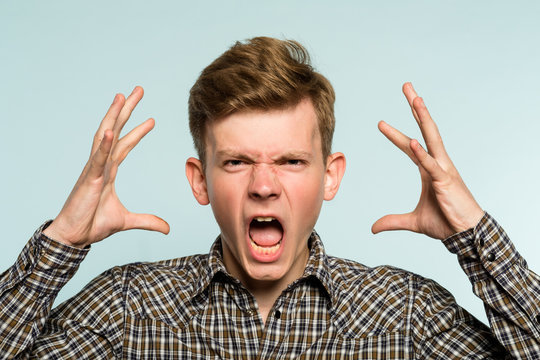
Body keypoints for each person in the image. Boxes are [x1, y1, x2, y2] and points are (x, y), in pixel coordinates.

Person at [0, 37, 538, 359]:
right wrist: (62, 242)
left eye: (290, 161)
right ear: (200, 180)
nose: (263, 185)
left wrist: (475, 235)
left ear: (330, 177)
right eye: (235, 162)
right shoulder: (130, 309)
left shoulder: (403, 315)